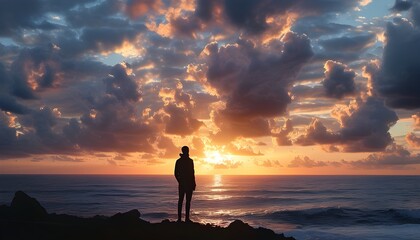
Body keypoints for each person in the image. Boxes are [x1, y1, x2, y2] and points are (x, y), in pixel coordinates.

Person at [174, 146, 196, 223]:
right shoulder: (179, 161)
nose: (187, 151)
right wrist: (180, 181)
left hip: (188, 184)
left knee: (187, 201)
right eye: (186, 150)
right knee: (181, 200)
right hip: (183, 184)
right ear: (184, 151)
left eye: (187, 150)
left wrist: (193, 183)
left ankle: (186, 219)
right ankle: (180, 219)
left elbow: (192, 173)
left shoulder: (190, 161)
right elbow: (176, 173)